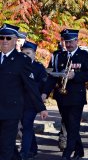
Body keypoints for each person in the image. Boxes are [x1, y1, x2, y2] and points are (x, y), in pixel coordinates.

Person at [42, 29, 88, 160]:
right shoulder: (59, 56)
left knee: (73, 124)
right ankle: (79, 150)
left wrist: (75, 75)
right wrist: (44, 93)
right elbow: (51, 77)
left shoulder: (85, 55)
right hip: (61, 96)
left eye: (71, 41)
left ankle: (68, 152)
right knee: (69, 123)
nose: (69, 44)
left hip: (77, 96)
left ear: (77, 41)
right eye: (66, 42)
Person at [0, 23, 48, 160]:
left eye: (8, 38)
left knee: (5, 147)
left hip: (11, 110)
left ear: (15, 40)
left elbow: (31, 86)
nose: (4, 41)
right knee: (5, 146)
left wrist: (41, 107)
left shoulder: (22, 60)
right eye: (1, 37)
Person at [20, 41, 48, 159]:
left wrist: (43, 94)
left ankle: (24, 152)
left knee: (26, 125)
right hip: (20, 101)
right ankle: (33, 148)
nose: (25, 55)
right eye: (23, 53)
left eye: (28, 53)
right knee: (26, 126)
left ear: (34, 54)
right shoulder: (18, 65)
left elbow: (44, 83)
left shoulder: (38, 67)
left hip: (32, 101)